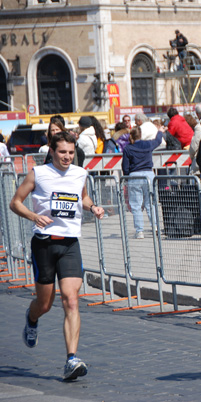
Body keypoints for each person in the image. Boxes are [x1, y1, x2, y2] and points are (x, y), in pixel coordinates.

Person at [9, 131, 105, 381]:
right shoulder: (38, 174)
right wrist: (33, 216)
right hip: (44, 244)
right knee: (45, 304)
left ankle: (71, 359)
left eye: (71, 153)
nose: (67, 157)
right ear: (51, 151)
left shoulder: (79, 173)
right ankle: (32, 318)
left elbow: (82, 197)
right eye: (62, 152)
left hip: (70, 244)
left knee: (71, 301)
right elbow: (15, 202)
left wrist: (92, 206)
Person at [122, 127, 163, 239]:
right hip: (149, 175)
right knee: (151, 203)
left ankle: (140, 231)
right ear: (141, 135)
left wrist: (127, 177)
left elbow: (125, 167)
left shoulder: (128, 148)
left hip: (134, 176)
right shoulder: (148, 144)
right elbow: (158, 141)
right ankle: (155, 227)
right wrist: (160, 131)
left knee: (136, 205)